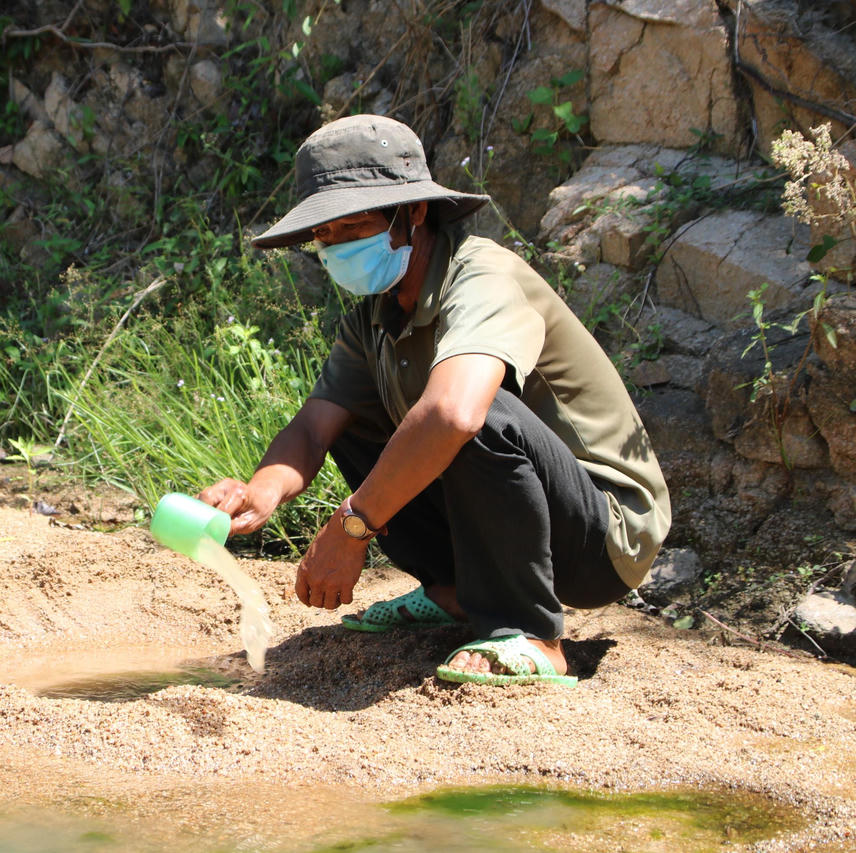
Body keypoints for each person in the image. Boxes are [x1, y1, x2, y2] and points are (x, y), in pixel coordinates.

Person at [198, 114, 670, 686]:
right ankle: (453, 592)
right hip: (515, 523)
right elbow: (314, 428)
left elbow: (454, 416)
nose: (337, 244)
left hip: (603, 537)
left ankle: (530, 633)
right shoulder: (375, 316)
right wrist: (260, 490)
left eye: (355, 225)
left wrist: (351, 527)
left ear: (414, 212)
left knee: (467, 414)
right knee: (362, 420)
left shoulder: (482, 276)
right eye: (325, 233)